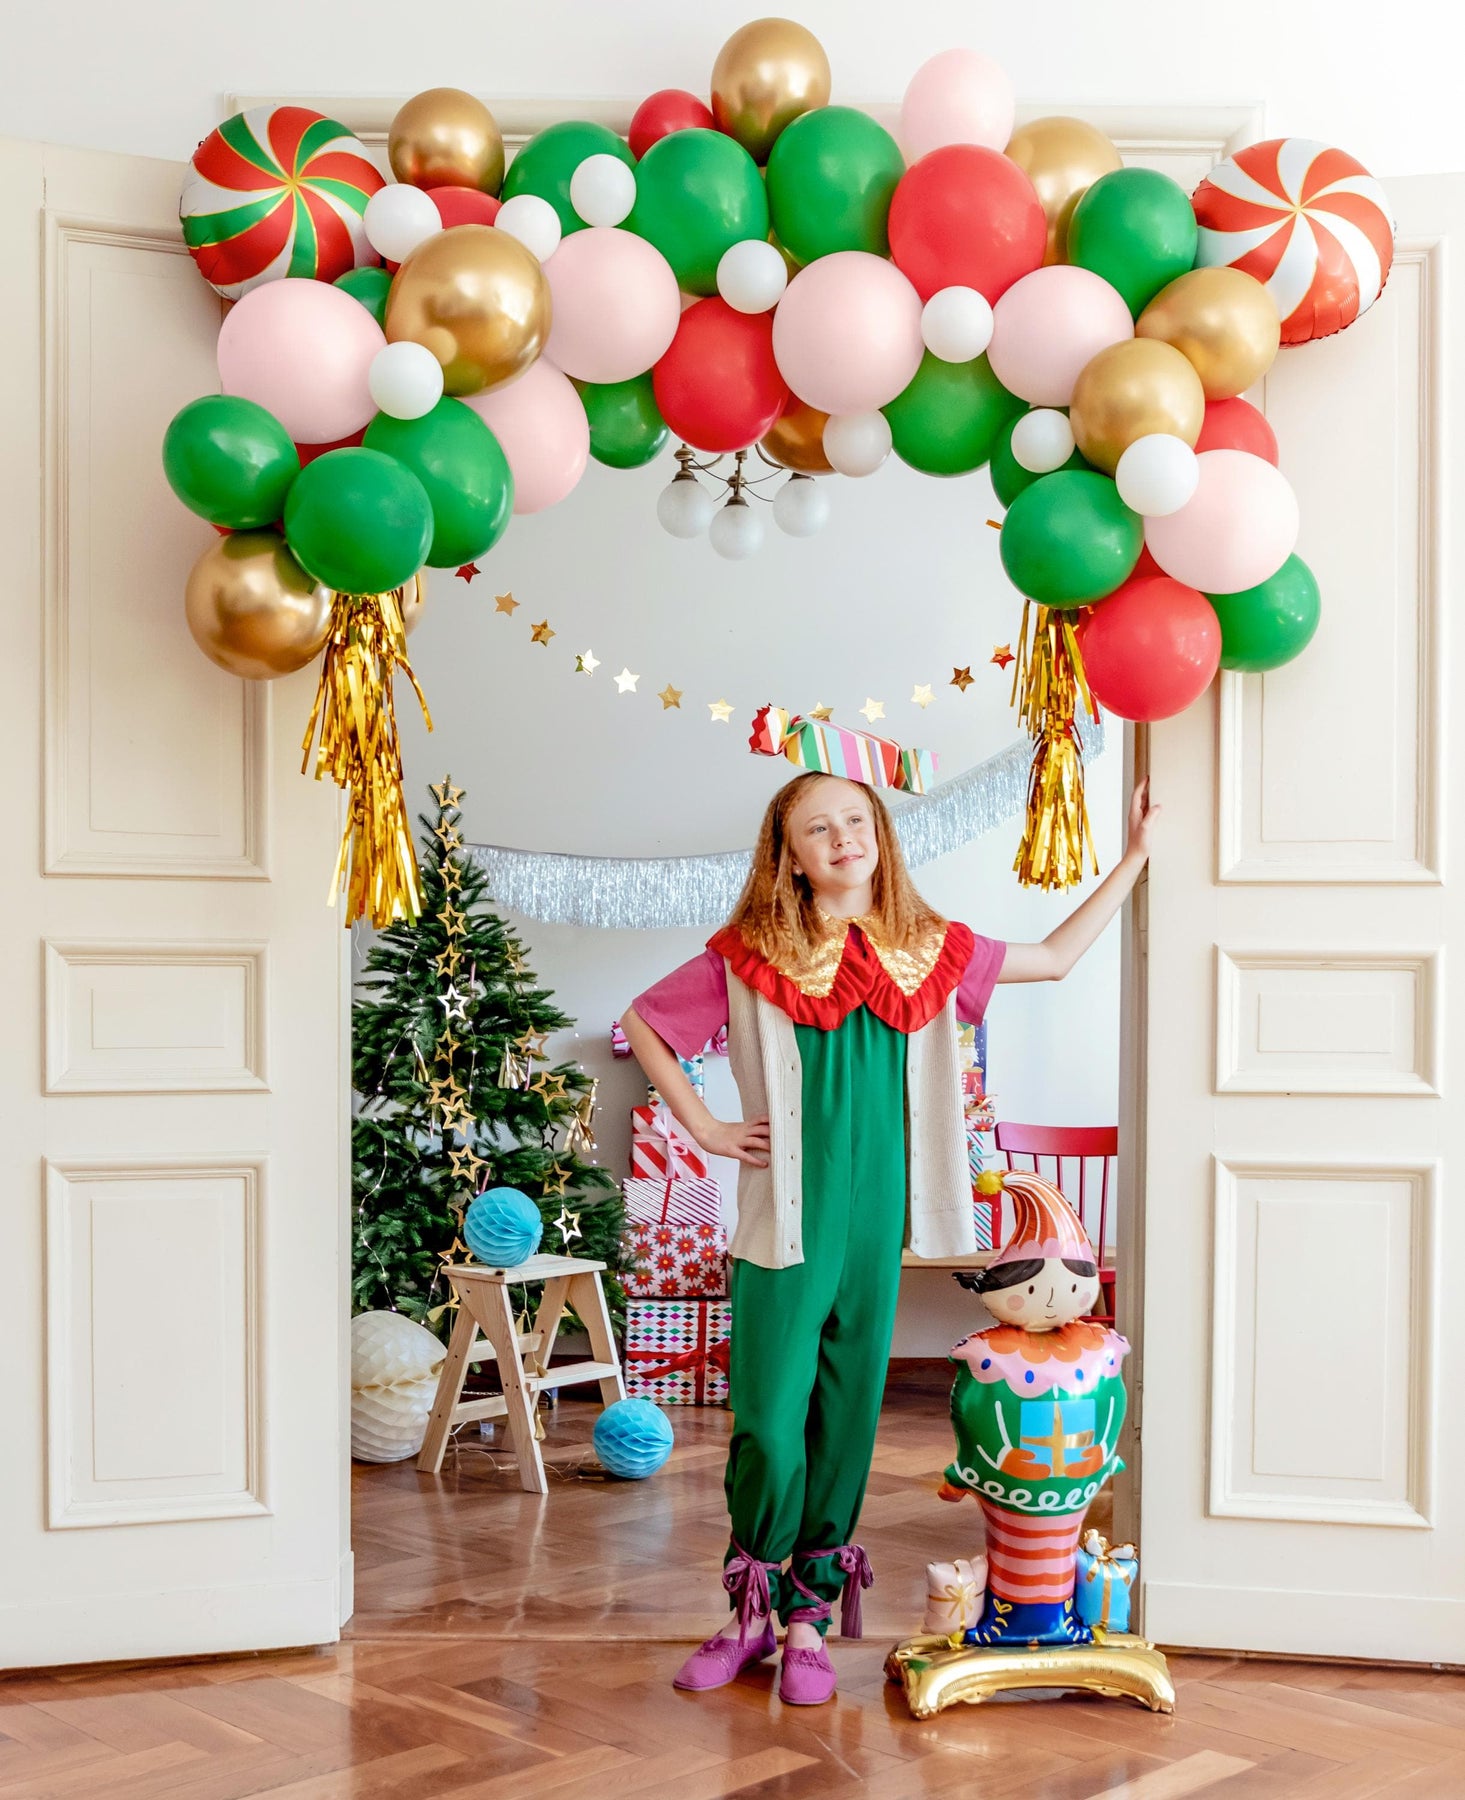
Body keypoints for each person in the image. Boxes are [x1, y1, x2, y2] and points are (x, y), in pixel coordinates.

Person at [621, 770, 1159, 1706]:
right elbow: (644, 1022)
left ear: (879, 834)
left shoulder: (930, 951)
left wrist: (1136, 859)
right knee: (768, 1425)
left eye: (855, 820)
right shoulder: (750, 954)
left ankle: (805, 1620)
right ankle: (749, 1611)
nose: (842, 838)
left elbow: (1054, 957)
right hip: (784, 1223)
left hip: (876, 1226)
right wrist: (706, 1127)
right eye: (816, 828)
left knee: (845, 1421)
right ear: (789, 855)